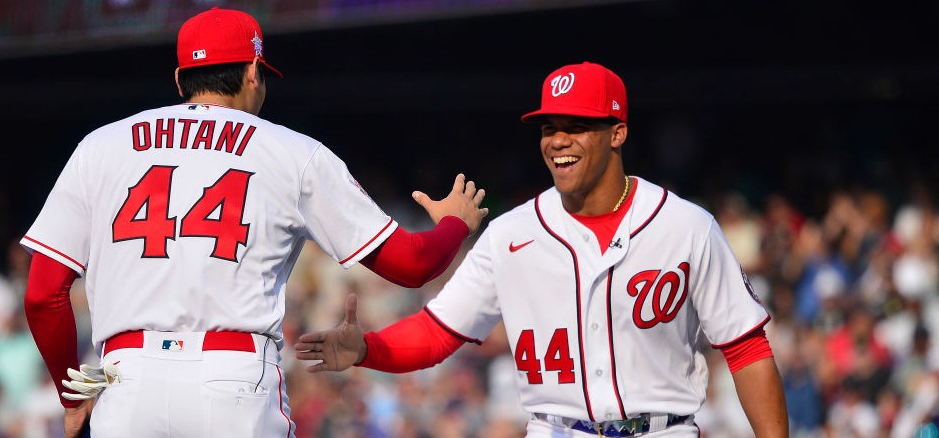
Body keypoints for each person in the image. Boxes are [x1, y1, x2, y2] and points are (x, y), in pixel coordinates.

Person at [19, 7, 488, 438]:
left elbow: (43, 295)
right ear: (252, 73)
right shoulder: (292, 152)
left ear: (181, 79)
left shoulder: (101, 146)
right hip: (233, 381)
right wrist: (455, 225)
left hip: (127, 382)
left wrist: (73, 395)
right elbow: (411, 265)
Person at [296, 62, 790, 437]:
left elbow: (746, 347)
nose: (558, 140)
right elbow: (437, 332)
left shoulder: (686, 226)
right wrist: (368, 350)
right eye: (549, 127)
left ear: (617, 132)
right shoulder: (512, 234)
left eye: (576, 126)